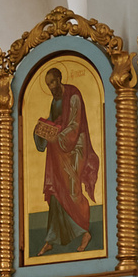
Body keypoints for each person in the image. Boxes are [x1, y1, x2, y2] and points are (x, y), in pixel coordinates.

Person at [29, 64, 99, 255]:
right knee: (56, 192)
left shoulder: (73, 95)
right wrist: (42, 129)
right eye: (48, 84)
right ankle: (51, 238)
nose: (51, 86)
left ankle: (85, 231)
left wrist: (57, 135)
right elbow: (54, 121)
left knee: (72, 188)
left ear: (59, 79)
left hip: (76, 146)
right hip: (58, 150)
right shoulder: (55, 101)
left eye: (52, 82)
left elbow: (75, 124)